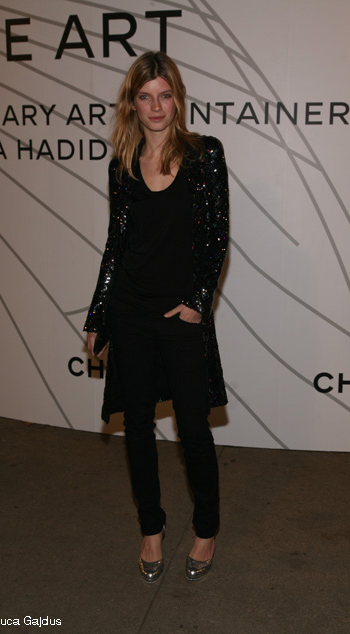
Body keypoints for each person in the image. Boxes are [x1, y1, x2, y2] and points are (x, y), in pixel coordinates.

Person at [84, 51, 229, 580]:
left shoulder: (204, 155)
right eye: (145, 97)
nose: (156, 106)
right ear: (132, 103)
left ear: (178, 99)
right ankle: (151, 528)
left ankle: (206, 528)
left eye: (165, 95)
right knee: (138, 428)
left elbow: (216, 237)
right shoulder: (121, 166)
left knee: (193, 428)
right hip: (130, 312)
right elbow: (116, 247)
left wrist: (198, 302)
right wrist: (99, 314)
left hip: (179, 315)